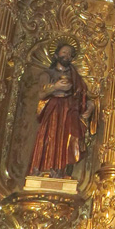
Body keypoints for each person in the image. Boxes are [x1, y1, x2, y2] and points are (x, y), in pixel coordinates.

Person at [27, 42, 96, 178]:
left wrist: (90, 105)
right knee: (50, 136)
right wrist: (55, 87)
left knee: (67, 139)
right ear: (56, 55)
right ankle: (45, 168)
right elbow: (41, 94)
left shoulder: (75, 76)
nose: (67, 56)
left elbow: (83, 95)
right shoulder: (48, 74)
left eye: (70, 54)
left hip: (69, 110)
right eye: (64, 52)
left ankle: (61, 170)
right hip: (53, 109)